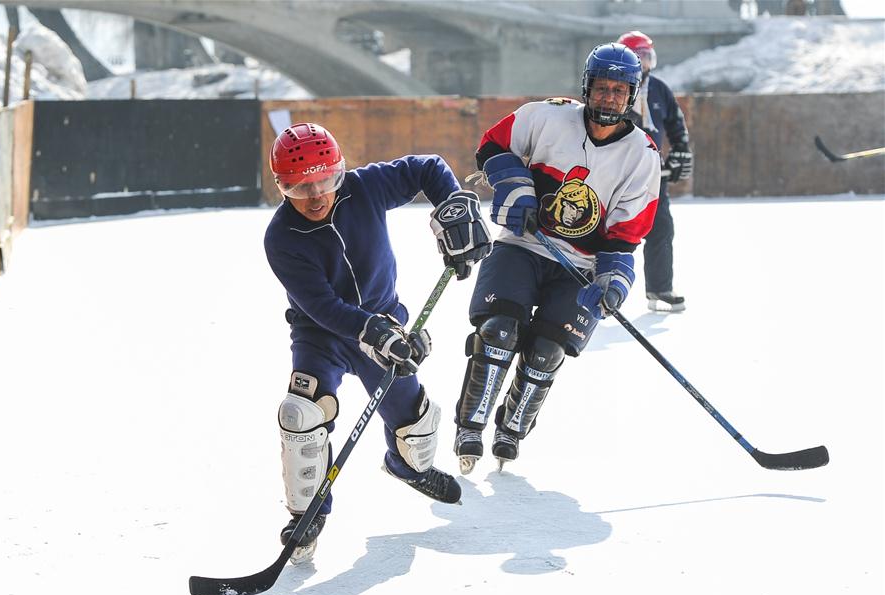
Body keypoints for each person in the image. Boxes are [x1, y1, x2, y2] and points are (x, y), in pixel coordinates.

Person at [265, 122, 492, 562]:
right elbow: (322, 305)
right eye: (299, 187)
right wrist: (373, 332)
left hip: (385, 319)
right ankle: (306, 514)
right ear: (281, 186)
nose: (315, 197)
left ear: (340, 172)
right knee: (301, 413)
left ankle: (407, 466)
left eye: (326, 181)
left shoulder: (364, 187)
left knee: (416, 427)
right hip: (322, 334)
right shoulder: (282, 238)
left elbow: (428, 168)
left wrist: (454, 207)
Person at [452, 43, 661, 473]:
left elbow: (626, 233)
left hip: (579, 268)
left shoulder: (643, 155)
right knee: (498, 332)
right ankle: (471, 425)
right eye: (601, 88)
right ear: (587, 86)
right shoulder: (546, 115)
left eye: (619, 91)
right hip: (522, 245)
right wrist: (513, 184)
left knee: (546, 350)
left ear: (632, 94)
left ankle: (511, 427)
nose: (608, 98)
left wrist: (614, 280)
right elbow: (492, 145)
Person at [617, 30, 693, 313]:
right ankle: (587, 285)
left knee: (661, 227)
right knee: (607, 230)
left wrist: (681, 148)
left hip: (654, 175)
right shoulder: (615, 87)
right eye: (639, 57)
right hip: (617, 174)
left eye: (648, 57)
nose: (645, 63)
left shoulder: (659, 88)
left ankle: (659, 288)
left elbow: (675, 122)